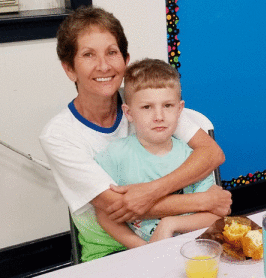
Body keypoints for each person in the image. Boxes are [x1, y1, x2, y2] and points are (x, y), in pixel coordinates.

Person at [39, 6, 232, 262]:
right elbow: (116, 208)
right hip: (111, 251)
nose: (104, 65)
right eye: (88, 55)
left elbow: (212, 153)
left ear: (125, 60)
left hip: (181, 238)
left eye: (112, 52)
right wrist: (204, 200)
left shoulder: (148, 101)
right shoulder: (58, 135)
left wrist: (150, 192)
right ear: (69, 69)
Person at [94, 58, 222, 247]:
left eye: (168, 106)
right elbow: (105, 214)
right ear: (128, 113)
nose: (159, 117)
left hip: (192, 250)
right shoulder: (114, 156)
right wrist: (143, 249)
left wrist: (170, 223)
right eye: (147, 107)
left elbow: (215, 216)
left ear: (179, 110)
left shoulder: (192, 159)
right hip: (139, 254)